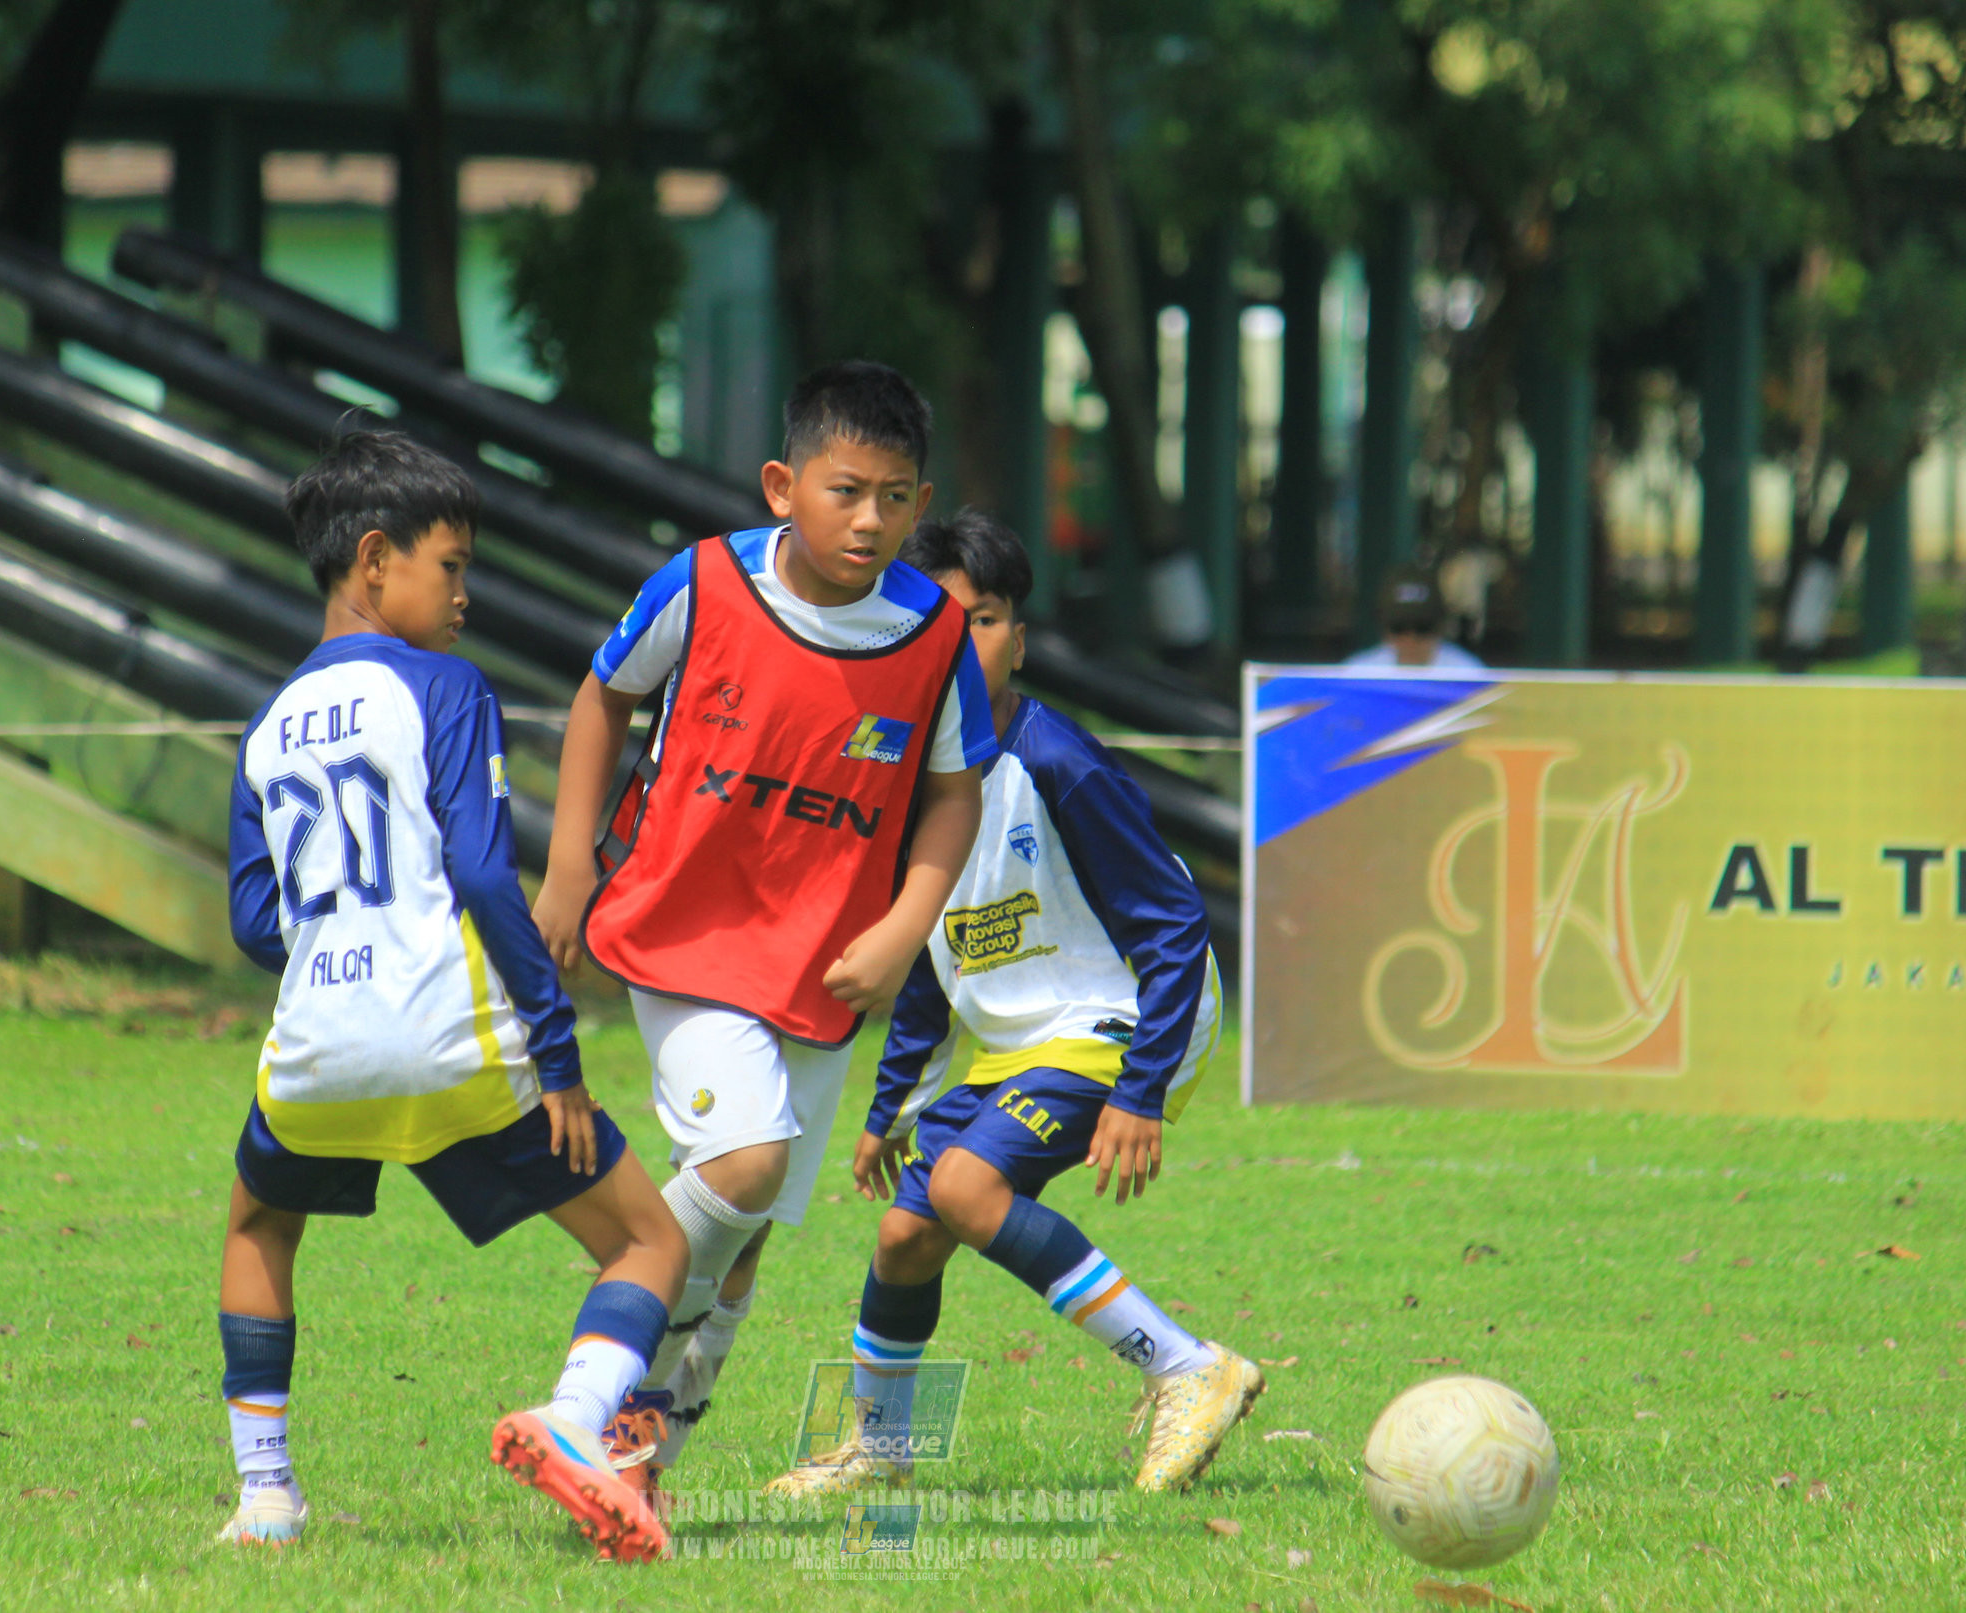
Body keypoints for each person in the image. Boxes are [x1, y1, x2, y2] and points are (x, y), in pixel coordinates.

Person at [530, 362, 996, 1504]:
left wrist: (900, 929)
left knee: (744, 1241)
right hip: (682, 931)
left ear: (920, 504)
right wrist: (566, 862)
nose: (871, 518)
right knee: (745, 1164)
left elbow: (953, 795)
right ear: (784, 485)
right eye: (847, 490)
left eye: (895, 496)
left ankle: (639, 1468)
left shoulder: (933, 633)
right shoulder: (701, 582)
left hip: (824, 962)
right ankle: (578, 1406)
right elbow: (603, 697)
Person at [217, 431, 685, 1562]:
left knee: (256, 1223)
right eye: (452, 564)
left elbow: (250, 920)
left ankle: (267, 1496)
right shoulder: (445, 686)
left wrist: (347, 961)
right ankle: (575, 1420)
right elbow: (481, 872)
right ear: (373, 560)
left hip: (318, 1053)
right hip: (455, 1045)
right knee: (649, 1242)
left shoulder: (268, 722)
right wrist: (559, 1054)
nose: (465, 593)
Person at [764, 508, 1260, 1499]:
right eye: (938, 621)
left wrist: (1140, 1088)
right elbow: (924, 962)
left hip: (1120, 1017)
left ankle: (1189, 1366)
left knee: (963, 1189)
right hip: (1012, 1037)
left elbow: (1173, 927)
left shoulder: (1059, 764)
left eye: (984, 620)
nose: (962, 642)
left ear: (1017, 639)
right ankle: (879, 1447)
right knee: (904, 1234)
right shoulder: (896, 776)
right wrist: (887, 1106)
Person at [1342, 564, 1487, 669]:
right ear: (1383, 629)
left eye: (1423, 628)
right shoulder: (1356, 673)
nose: (1410, 638)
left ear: (1440, 627)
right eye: (1398, 628)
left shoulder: (1470, 674)